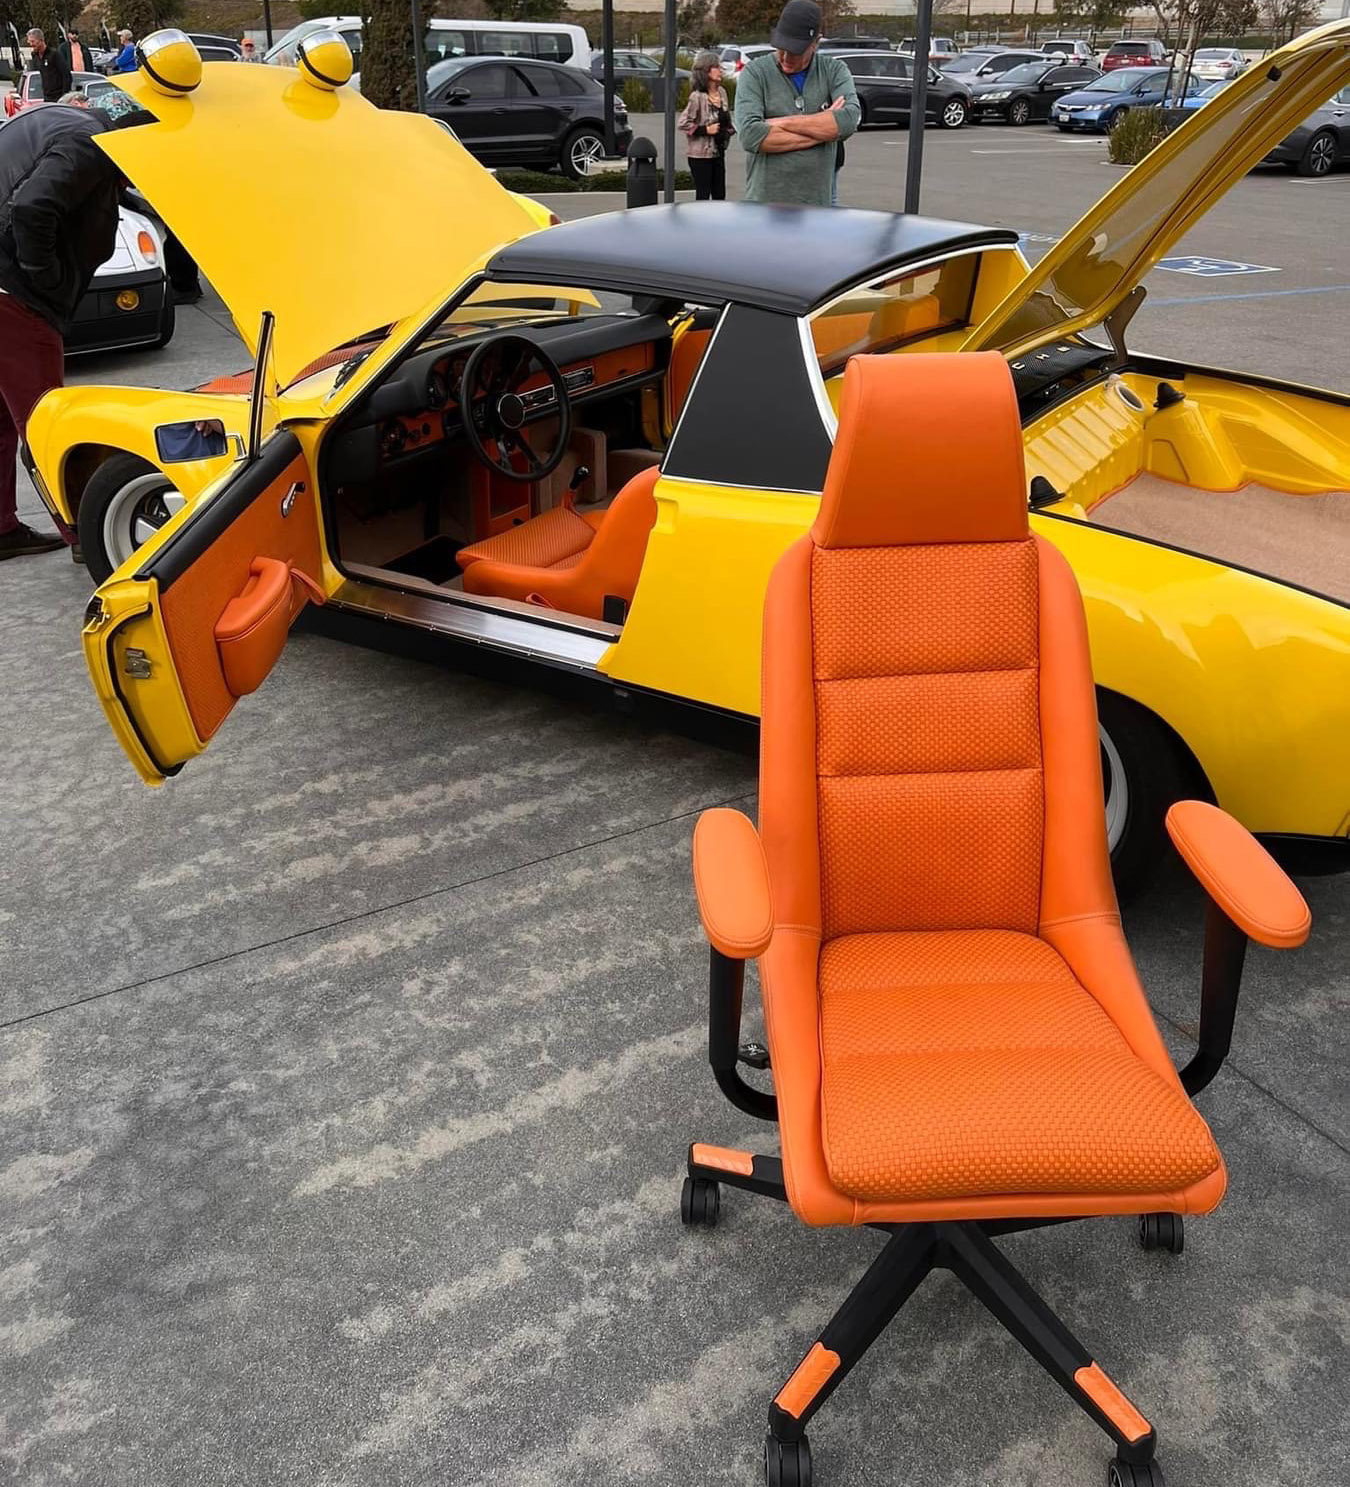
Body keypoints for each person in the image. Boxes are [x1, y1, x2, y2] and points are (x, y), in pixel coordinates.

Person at [0, 98, 149, 560]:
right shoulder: (90, 145)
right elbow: (31, 208)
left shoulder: (63, 123)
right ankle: (86, 533)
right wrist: (45, 279)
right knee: (49, 420)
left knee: (5, 418)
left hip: (8, 288)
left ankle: (3, 528)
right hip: (13, 297)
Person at [732, 0, 859, 207]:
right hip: (764, 208)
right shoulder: (755, 73)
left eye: (795, 51)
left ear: (816, 43)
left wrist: (777, 123)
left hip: (817, 207)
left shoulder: (834, 70)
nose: (785, 57)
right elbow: (750, 135)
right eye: (781, 48)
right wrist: (824, 130)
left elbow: (848, 121)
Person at [678, 52, 735, 201]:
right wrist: (705, 130)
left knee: (719, 195)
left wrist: (729, 129)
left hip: (718, 152)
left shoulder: (722, 92)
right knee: (703, 196)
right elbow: (683, 123)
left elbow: (725, 118)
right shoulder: (697, 97)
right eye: (717, 67)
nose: (721, 70)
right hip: (700, 156)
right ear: (706, 71)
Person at [25, 28, 71, 103]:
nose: (31, 44)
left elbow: (66, 75)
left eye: (33, 41)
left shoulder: (54, 54)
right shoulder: (35, 55)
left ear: (41, 40)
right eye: (29, 42)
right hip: (46, 96)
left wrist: (64, 96)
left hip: (59, 97)